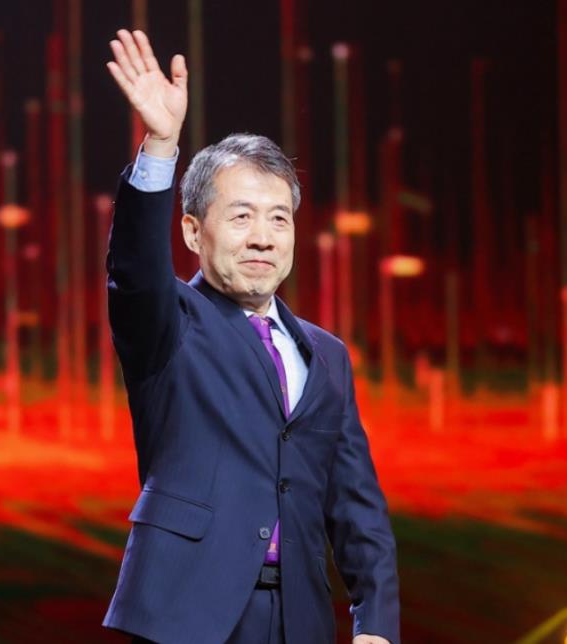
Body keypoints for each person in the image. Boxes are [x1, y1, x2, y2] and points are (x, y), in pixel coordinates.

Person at [102, 29, 400, 644]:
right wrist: (161, 145)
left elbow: (356, 501)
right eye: (241, 216)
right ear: (193, 232)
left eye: (278, 219)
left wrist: (375, 622)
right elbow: (134, 268)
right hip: (186, 617)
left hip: (299, 621)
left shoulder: (328, 355)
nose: (263, 237)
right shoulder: (170, 321)